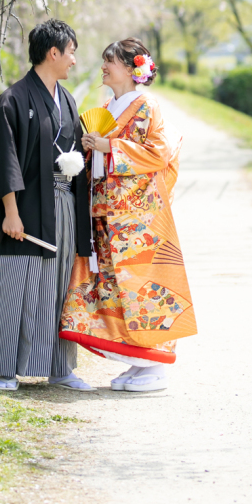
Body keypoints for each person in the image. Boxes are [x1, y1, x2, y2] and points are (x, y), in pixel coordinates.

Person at [59, 38, 197, 393]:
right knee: (115, 289)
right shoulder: (108, 107)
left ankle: (156, 366)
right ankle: (139, 362)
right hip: (107, 214)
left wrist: (110, 146)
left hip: (137, 220)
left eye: (111, 61)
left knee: (142, 289)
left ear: (131, 68)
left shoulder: (147, 106)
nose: (104, 67)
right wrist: (91, 150)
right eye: (105, 60)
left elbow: (160, 153)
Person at [0, 19, 93, 392]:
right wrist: (10, 212)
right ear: (53, 53)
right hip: (25, 207)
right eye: (71, 52)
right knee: (17, 284)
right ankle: (6, 370)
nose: (74, 60)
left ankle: (60, 367)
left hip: (62, 204)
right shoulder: (13, 100)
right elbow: (4, 158)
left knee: (59, 285)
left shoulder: (67, 100)